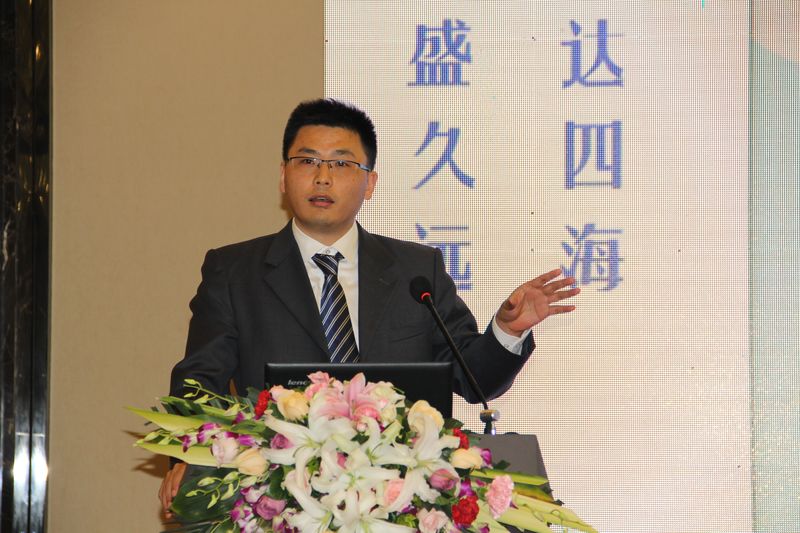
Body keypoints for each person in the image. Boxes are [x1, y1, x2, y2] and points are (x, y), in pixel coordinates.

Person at [159, 99, 579, 514]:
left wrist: (508, 329)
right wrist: (191, 455)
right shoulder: (235, 271)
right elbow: (200, 380)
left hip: (402, 504)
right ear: (284, 177)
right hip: (281, 500)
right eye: (307, 161)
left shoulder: (417, 270)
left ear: (370, 183)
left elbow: (475, 379)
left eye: (342, 164)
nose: (323, 177)